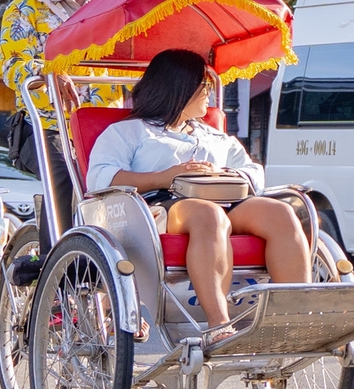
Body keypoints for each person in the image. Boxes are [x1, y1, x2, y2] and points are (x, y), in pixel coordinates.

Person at [86, 49, 309, 331]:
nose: (208, 93)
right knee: (209, 215)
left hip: (226, 199)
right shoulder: (129, 132)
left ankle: (295, 321)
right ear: (180, 88)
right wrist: (164, 177)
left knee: (281, 212)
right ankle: (219, 325)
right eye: (203, 85)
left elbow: (252, 172)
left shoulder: (213, 135)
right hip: (161, 205)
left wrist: (225, 174)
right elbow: (101, 178)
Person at [0, 0, 118, 216]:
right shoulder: (24, 8)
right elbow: (12, 67)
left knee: (130, 181)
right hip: (45, 127)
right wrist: (47, 70)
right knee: (66, 177)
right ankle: (59, 248)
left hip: (105, 125)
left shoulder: (113, 5)